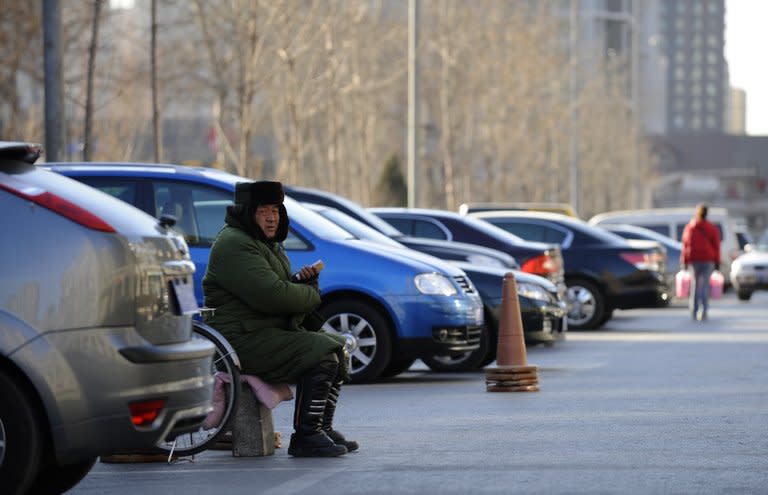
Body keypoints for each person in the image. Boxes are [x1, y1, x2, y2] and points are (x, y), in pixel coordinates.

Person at [202, 180, 357, 457]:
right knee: (323, 353)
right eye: (263, 210)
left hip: (262, 332)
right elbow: (273, 296)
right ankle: (306, 436)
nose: (272, 217)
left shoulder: (265, 242)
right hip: (240, 340)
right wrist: (310, 293)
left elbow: (282, 290)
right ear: (247, 211)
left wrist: (302, 284)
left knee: (338, 347)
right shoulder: (235, 244)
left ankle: (321, 427)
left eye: (276, 209)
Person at [680, 204, 721, 321]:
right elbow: (716, 246)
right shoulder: (712, 228)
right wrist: (717, 261)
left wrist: (684, 261)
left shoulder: (690, 227)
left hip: (694, 260)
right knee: (704, 286)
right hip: (708, 260)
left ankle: (694, 311)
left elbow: (685, 246)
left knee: (694, 285)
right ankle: (704, 311)